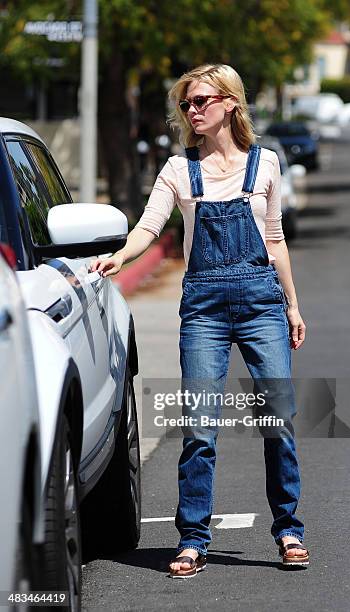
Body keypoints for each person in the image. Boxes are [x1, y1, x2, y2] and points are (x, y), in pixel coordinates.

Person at [89, 63, 309, 578]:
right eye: (187, 104)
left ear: (230, 103)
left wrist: (293, 306)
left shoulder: (266, 164)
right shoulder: (177, 170)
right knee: (199, 430)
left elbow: (274, 240)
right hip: (204, 308)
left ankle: (289, 529)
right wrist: (120, 256)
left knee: (278, 422)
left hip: (263, 305)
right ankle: (192, 539)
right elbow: (148, 226)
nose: (192, 111)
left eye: (202, 101)